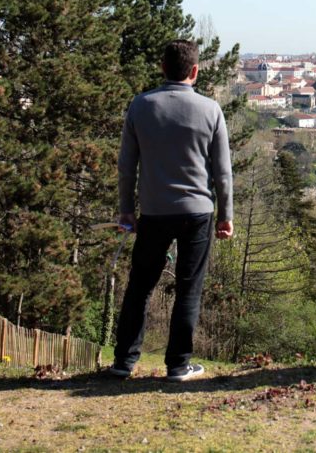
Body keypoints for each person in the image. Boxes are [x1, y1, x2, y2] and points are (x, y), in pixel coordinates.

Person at [107, 40, 233, 382]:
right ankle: (178, 365)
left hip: (153, 210)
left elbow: (126, 166)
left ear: (162, 67)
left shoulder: (141, 105)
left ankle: (123, 361)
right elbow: (222, 171)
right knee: (189, 288)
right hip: (197, 211)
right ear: (194, 71)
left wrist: (125, 210)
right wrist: (226, 214)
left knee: (140, 286)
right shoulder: (210, 110)